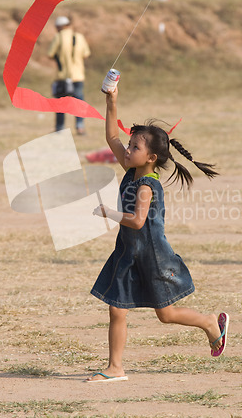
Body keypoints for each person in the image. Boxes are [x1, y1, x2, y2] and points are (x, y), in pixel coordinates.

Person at [87, 88, 229, 382]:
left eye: (134, 148)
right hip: (129, 252)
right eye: (129, 145)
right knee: (116, 308)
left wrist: (108, 214)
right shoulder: (132, 170)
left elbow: (138, 222)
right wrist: (111, 100)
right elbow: (111, 138)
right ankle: (116, 368)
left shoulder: (146, 186)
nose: (127, 150)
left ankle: (208, 323)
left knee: (165, 315)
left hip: (152, 256)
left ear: (150, 157)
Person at [48, 15, 91, 135]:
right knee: (78, 102)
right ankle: (80, 127)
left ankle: (60, 128)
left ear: (58, 27)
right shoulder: (79, 37)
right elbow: (86, 54)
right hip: (78, 75)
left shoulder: (58, 37)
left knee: (61, 104)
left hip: (63, 76)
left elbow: (50, 54)